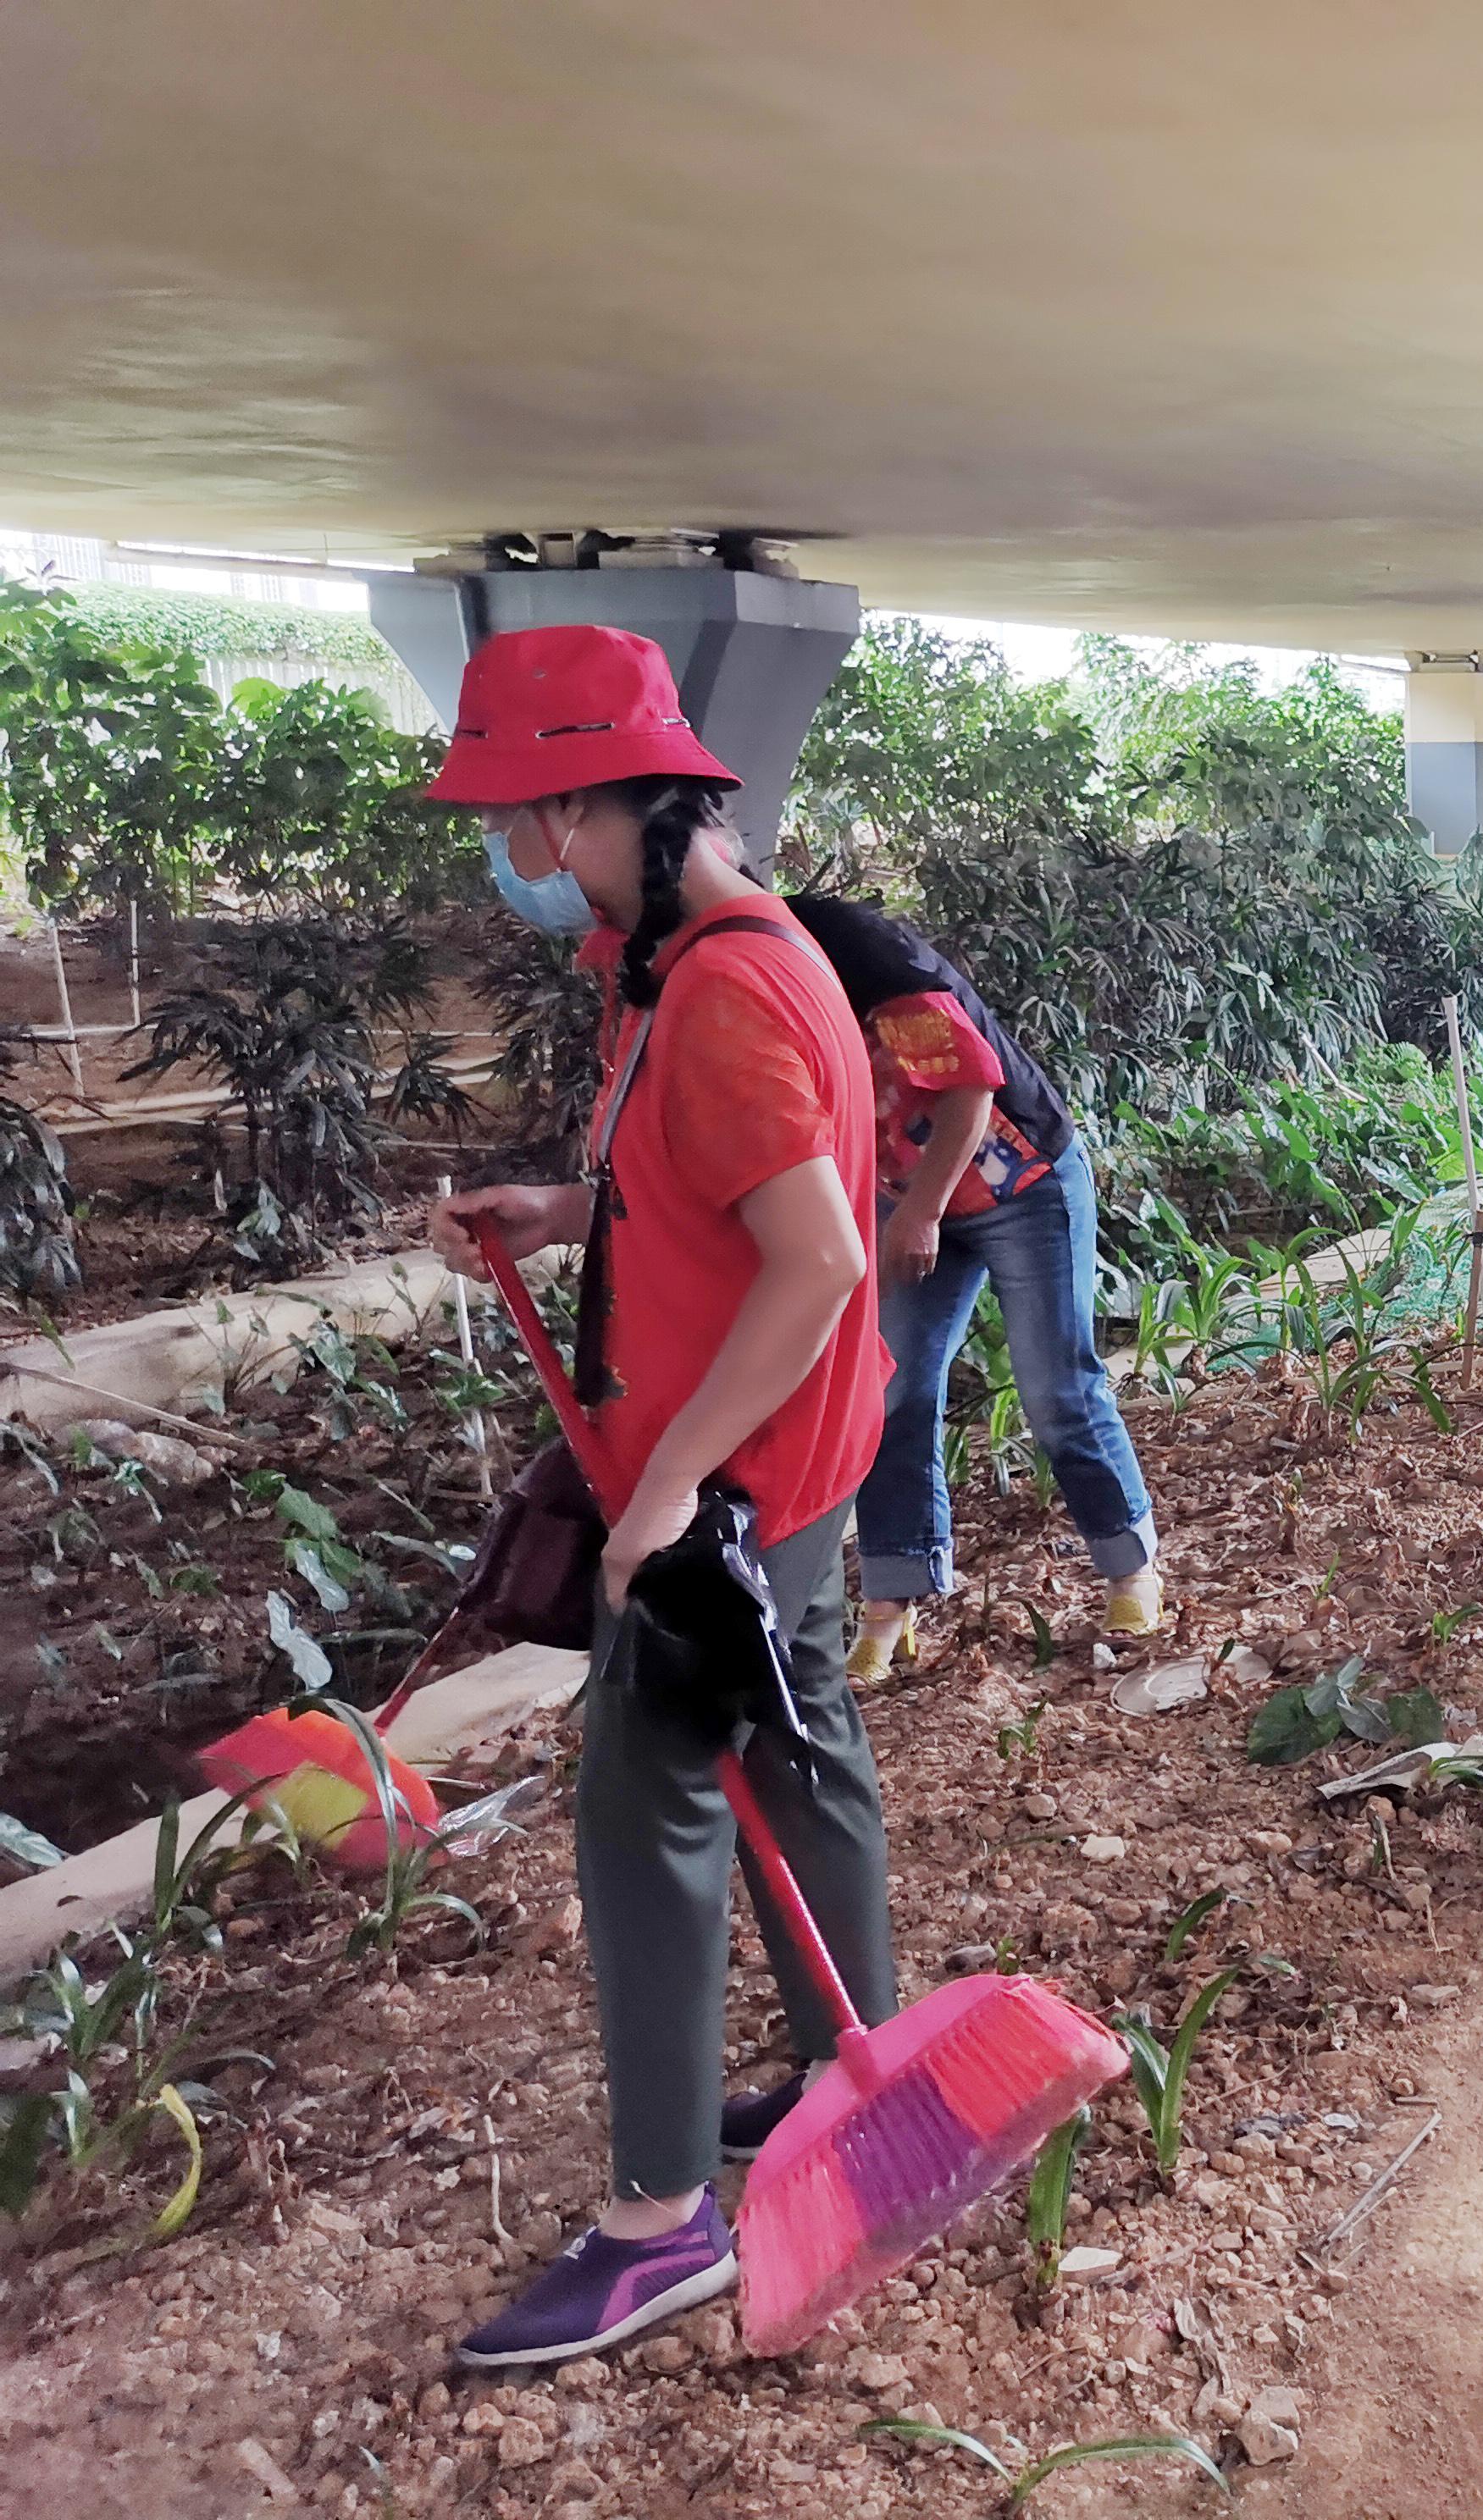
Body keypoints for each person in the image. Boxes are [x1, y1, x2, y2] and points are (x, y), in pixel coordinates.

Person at [424, 627, 896, 2366]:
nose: (510, 855)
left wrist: (677, 1483)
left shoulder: (722, 990)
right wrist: (566, 1211)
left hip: (730, 1485)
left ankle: (656, 2221)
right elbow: (728, 1197)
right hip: (798, 1468)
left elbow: (822, 1258)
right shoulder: (701, 954)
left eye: (514, 818)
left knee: (645, 1804)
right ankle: (862, 2066)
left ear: (570, 807)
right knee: (798, 1743)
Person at [781, 895, 1165, 1680]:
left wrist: (917, 1214)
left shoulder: (903, 998)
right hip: (907, 1202)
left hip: (1021, 1188)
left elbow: (970, 1093)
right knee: (891, 1391)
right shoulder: (785, 1015)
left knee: (1056, 1389)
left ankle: (1131, 1570)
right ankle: (892, 1604)